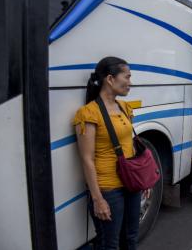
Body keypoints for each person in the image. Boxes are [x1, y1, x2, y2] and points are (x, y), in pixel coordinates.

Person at [74, 57, 149, 250]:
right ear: (110, 78)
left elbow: (130, 145)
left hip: (131, 184)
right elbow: (87, 159)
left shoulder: (124, 107)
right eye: (127, 76)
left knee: (131, 237)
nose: (130, 82)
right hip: (108, 189)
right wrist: (98, 199)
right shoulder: (88, 113)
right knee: (110, 244)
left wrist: (142, 180)